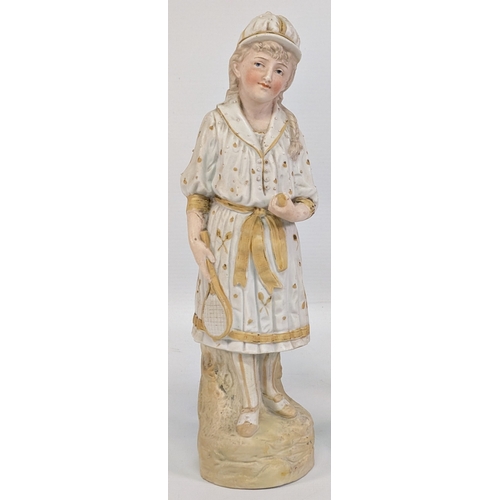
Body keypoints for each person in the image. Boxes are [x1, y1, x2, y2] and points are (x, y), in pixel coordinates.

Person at [180, 12, 318, 438]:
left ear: (288, 80)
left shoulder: (289, 127)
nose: (268, 76)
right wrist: (195, 237)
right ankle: (249, 403)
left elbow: (308, 196)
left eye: (280, 70)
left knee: (272, 319)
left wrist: (292, 212)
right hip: (229, 237)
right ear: (237, 66)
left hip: (277, 240)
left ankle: (273, 389)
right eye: (259, 63)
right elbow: (197, 191)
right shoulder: (217, 122)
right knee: (238, 322)